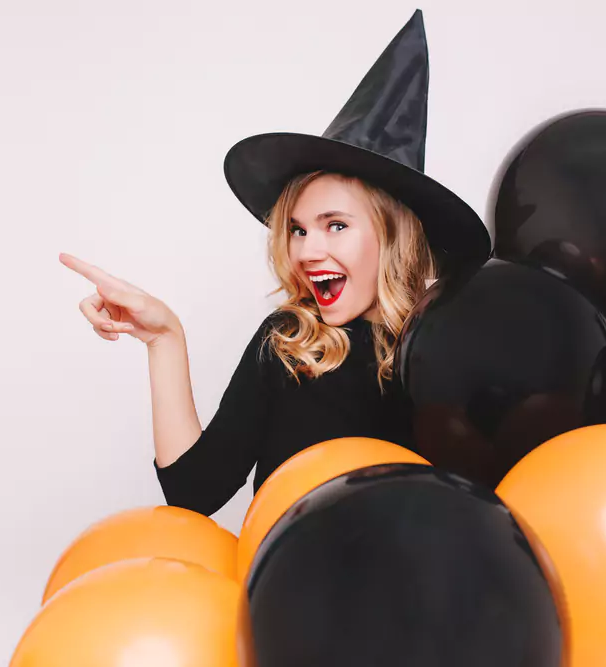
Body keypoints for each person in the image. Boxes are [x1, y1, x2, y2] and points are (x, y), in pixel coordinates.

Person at [60, 10, 490, 516]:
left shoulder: (443, 355)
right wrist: (164, 339)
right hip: (287, 588)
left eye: (335, 225)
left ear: (394, 237)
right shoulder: (288, 343)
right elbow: (194, 493)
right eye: (298, 229)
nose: (307, 251)